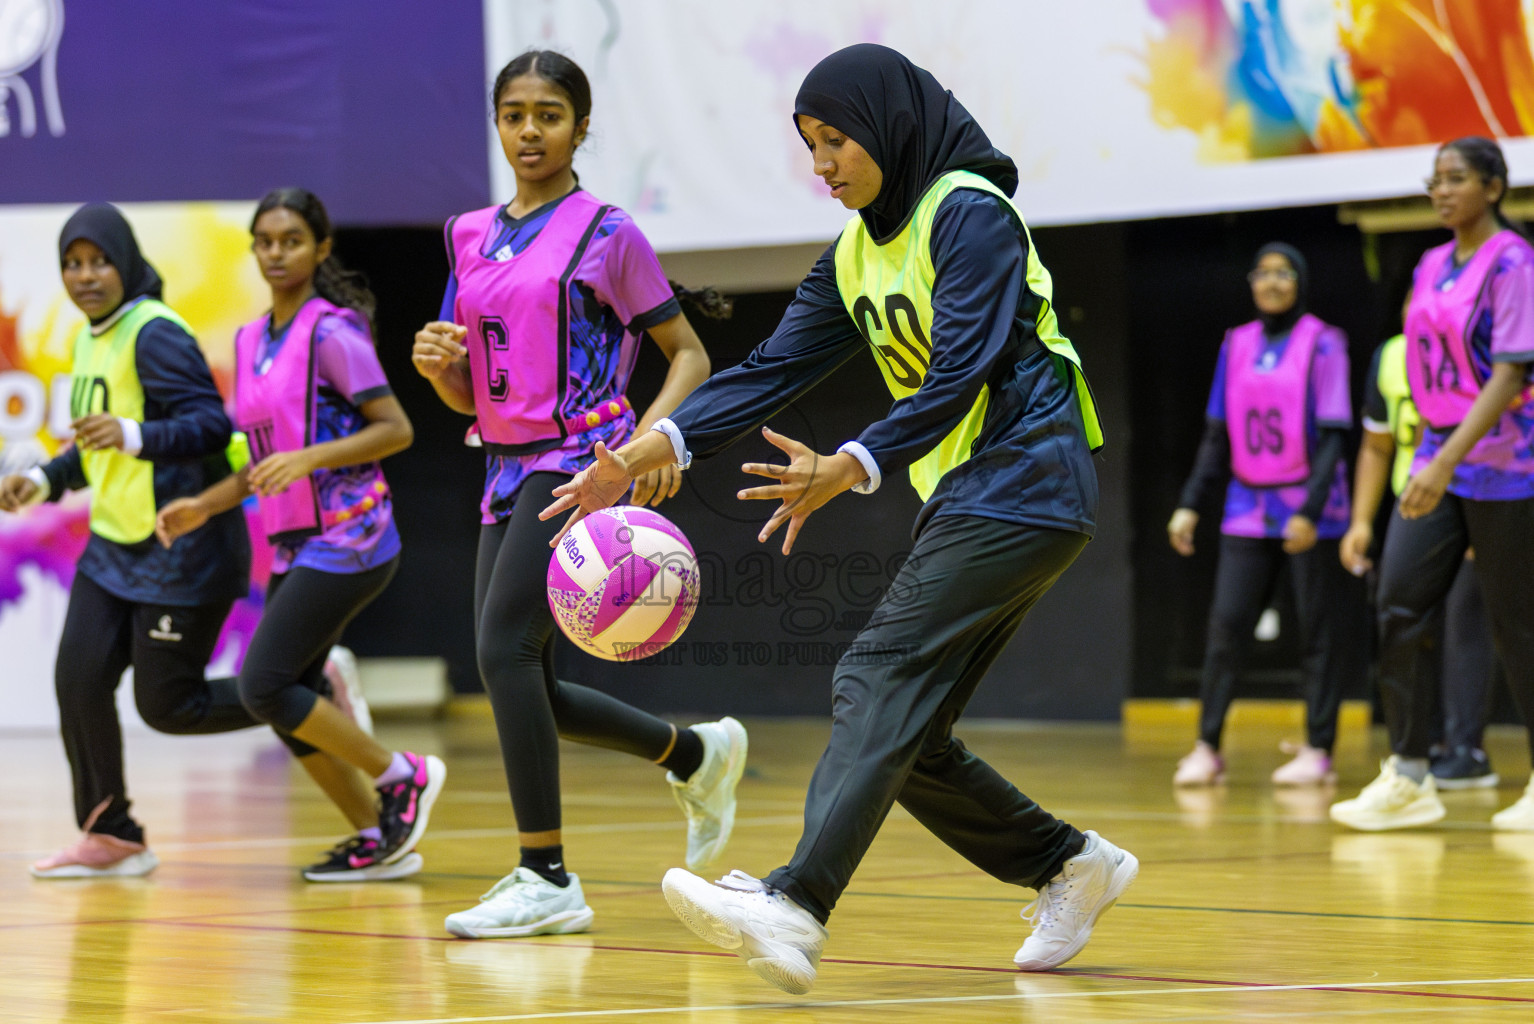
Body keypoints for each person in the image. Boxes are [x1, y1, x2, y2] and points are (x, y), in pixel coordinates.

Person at [543, 43, 1136, 994]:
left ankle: (796, 902)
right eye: (809, 145)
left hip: (1027, 473)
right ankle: (1068, 863)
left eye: (836, 140)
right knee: (913, 732)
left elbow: (965, 368)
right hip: (980, 493)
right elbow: (766, 372)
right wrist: (654, 449)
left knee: (871, 672)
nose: (822, 164)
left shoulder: (969, 213)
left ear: (891, 128)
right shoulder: (854, 255)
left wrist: (852, 463)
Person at [410, 50, 740, 938]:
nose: (529, 130)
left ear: (581, 127)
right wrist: (439, 371)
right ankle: (695, 753)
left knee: (501, 652)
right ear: (497, 122)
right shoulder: (467, 235)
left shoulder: (608, 233)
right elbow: (469, 395)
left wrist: (637, 453)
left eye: (549, 114)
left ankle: (546, 873)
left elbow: (691, 357)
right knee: (521, 674)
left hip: (578, 466)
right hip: (502, 465)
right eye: (514, 113)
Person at [156, 188, 444, 880]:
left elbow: (395, 429)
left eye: (290, 240)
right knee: (291, 706)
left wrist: (311, 458)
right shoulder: (251, 339)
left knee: (264, 684)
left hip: (352, 537)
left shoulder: (333, 332)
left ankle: (401, 772)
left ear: (320, 248)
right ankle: (380, 837)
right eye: (264, 240)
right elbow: (264, 459)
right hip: (293, 539)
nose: (275, 252)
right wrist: (207, 503)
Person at [0, 203, 258, 878]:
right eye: (72, 264)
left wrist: (135, 435)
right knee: (78, 679)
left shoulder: (154, 333)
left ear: (127, 262)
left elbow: (210, 426)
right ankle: (111, 834)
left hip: (181, 546)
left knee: (168, 706)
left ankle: (308, 689)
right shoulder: (94, 336)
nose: (85, 276)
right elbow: (97, 448)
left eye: (99, 261)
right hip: (115, 545)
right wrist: (43, 480)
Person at [1332, 136, 1534, 831]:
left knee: (1517, 624)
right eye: (1435, 179)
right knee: (1397, 602)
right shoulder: (1426, 264)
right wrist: (1432, 457)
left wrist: (1445, 462)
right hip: (1440, 459)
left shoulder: (1514, 263)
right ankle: (1411, 775)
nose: (1441, 190)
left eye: (1456, 178)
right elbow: (1423, 364)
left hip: (1509, 466)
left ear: (1494, 187)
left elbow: (1511, 371)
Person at [1166, 244, 1355, 787]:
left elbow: (1335, 434)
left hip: (1310, 509)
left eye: (1283, 273)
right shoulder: (1237, 343)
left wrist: (1311, 511)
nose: (1272, 282)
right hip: (1247, 506)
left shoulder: (1324, 342)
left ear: (1300, 281)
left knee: (1317, 631)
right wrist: (1189, 504)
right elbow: (1217, 434)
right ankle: (1207, 746)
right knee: (1226, 625)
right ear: (1251, 283)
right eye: (1263, 273)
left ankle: (1318, 749)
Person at [1341, 299, 1500, 790]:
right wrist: (1361, 521)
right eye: (1416, 292)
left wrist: (1481, 522)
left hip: (1478, 492)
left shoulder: (1480, 346)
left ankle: (1467, 749)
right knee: (1403, 617)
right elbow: (1376, 443)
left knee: (1465, 625)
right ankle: (1416, 750)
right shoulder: (1390, 356)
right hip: (1415, 508)